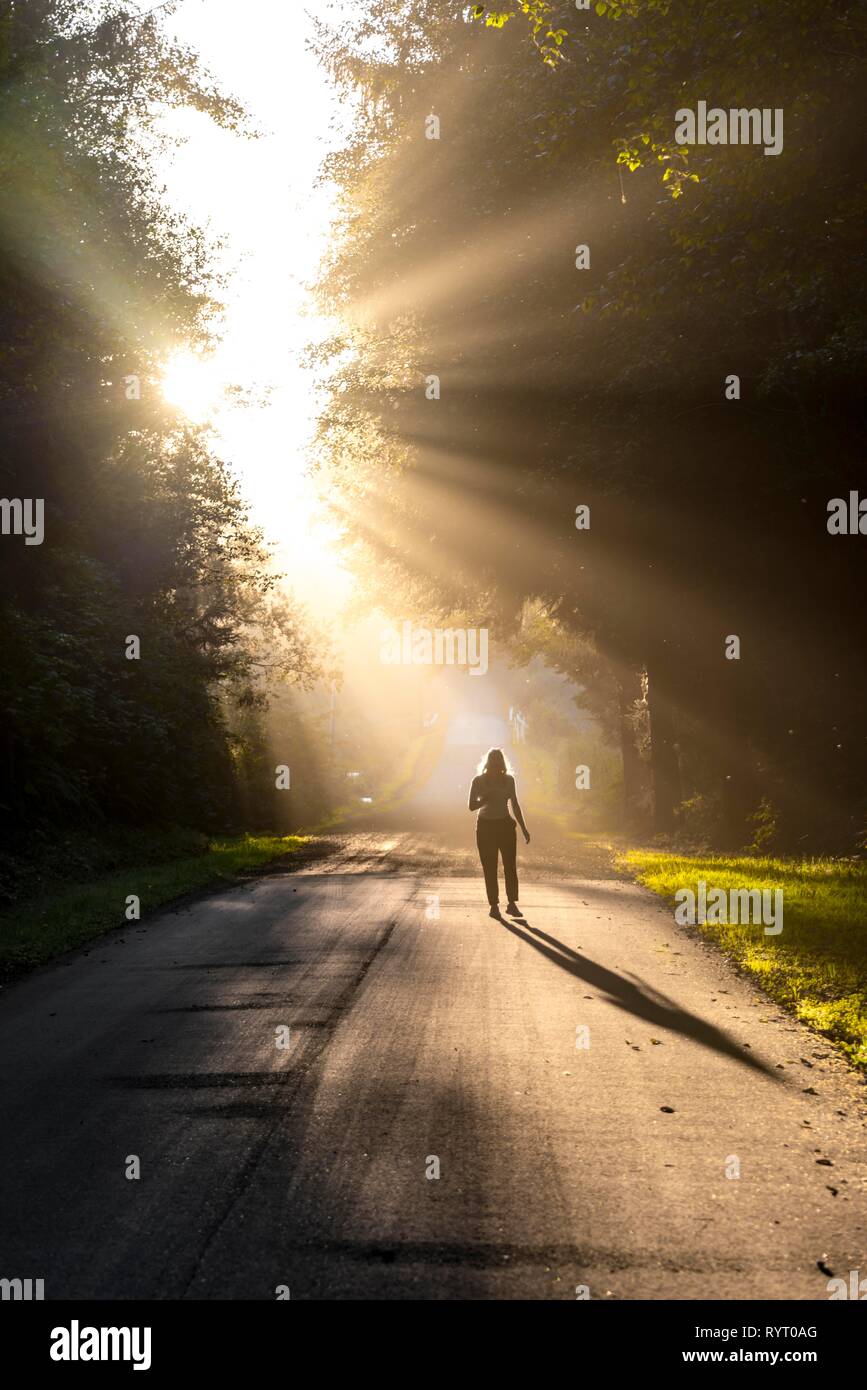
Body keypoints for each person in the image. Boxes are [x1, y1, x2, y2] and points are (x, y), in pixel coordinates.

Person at [468, 748, 530, 918]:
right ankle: (494, 905)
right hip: (485, 827)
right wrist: (485, 800)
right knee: (490, 867)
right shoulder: (478, 781)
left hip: (505, 826)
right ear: (488, 763)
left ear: (502, 763)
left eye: (498, 762)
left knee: (510, 866)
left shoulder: (509, 781)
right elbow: (471, 806)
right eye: (493, 762)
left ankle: (511, 903)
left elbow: (515, 805)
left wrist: (524, 828)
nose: (495, 765)